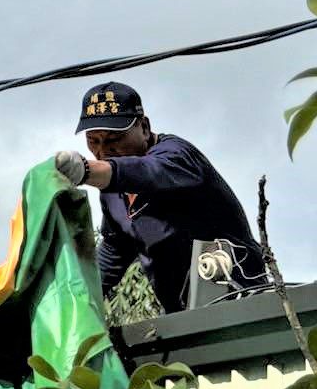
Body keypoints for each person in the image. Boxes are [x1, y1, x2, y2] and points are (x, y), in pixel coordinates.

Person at [54, 81, 266, 313]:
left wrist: (85, 170)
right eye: (93, 141)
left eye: (114, 140)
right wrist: (71, 301)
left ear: (144, 127)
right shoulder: (113, 193)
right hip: (183, 319)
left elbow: (148, 172)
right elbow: (115, 248)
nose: (103, 152)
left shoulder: (178, 158)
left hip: (245, 304)